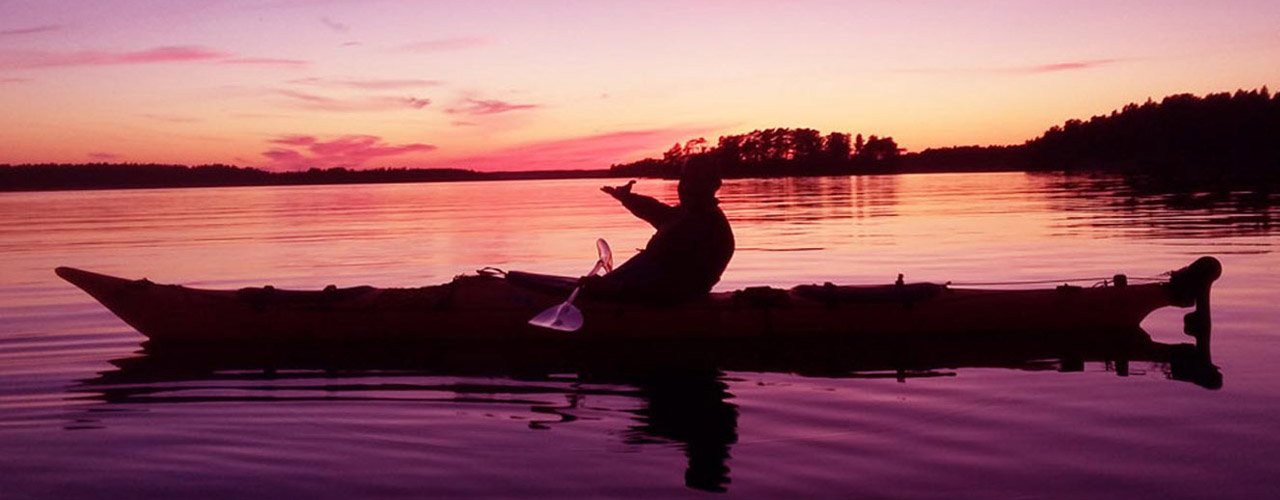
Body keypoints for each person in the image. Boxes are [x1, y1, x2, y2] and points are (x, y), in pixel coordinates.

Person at [586, 159, 734, 302]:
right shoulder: (689, 215)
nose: (683, 187)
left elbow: (676, 284)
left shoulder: (705, 225)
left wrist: (616, 288)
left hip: (663, 300)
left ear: (712, 185)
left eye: (693, 181)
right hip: (639, 290)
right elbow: (657, 211)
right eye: (683, 180)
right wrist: (626, 197)